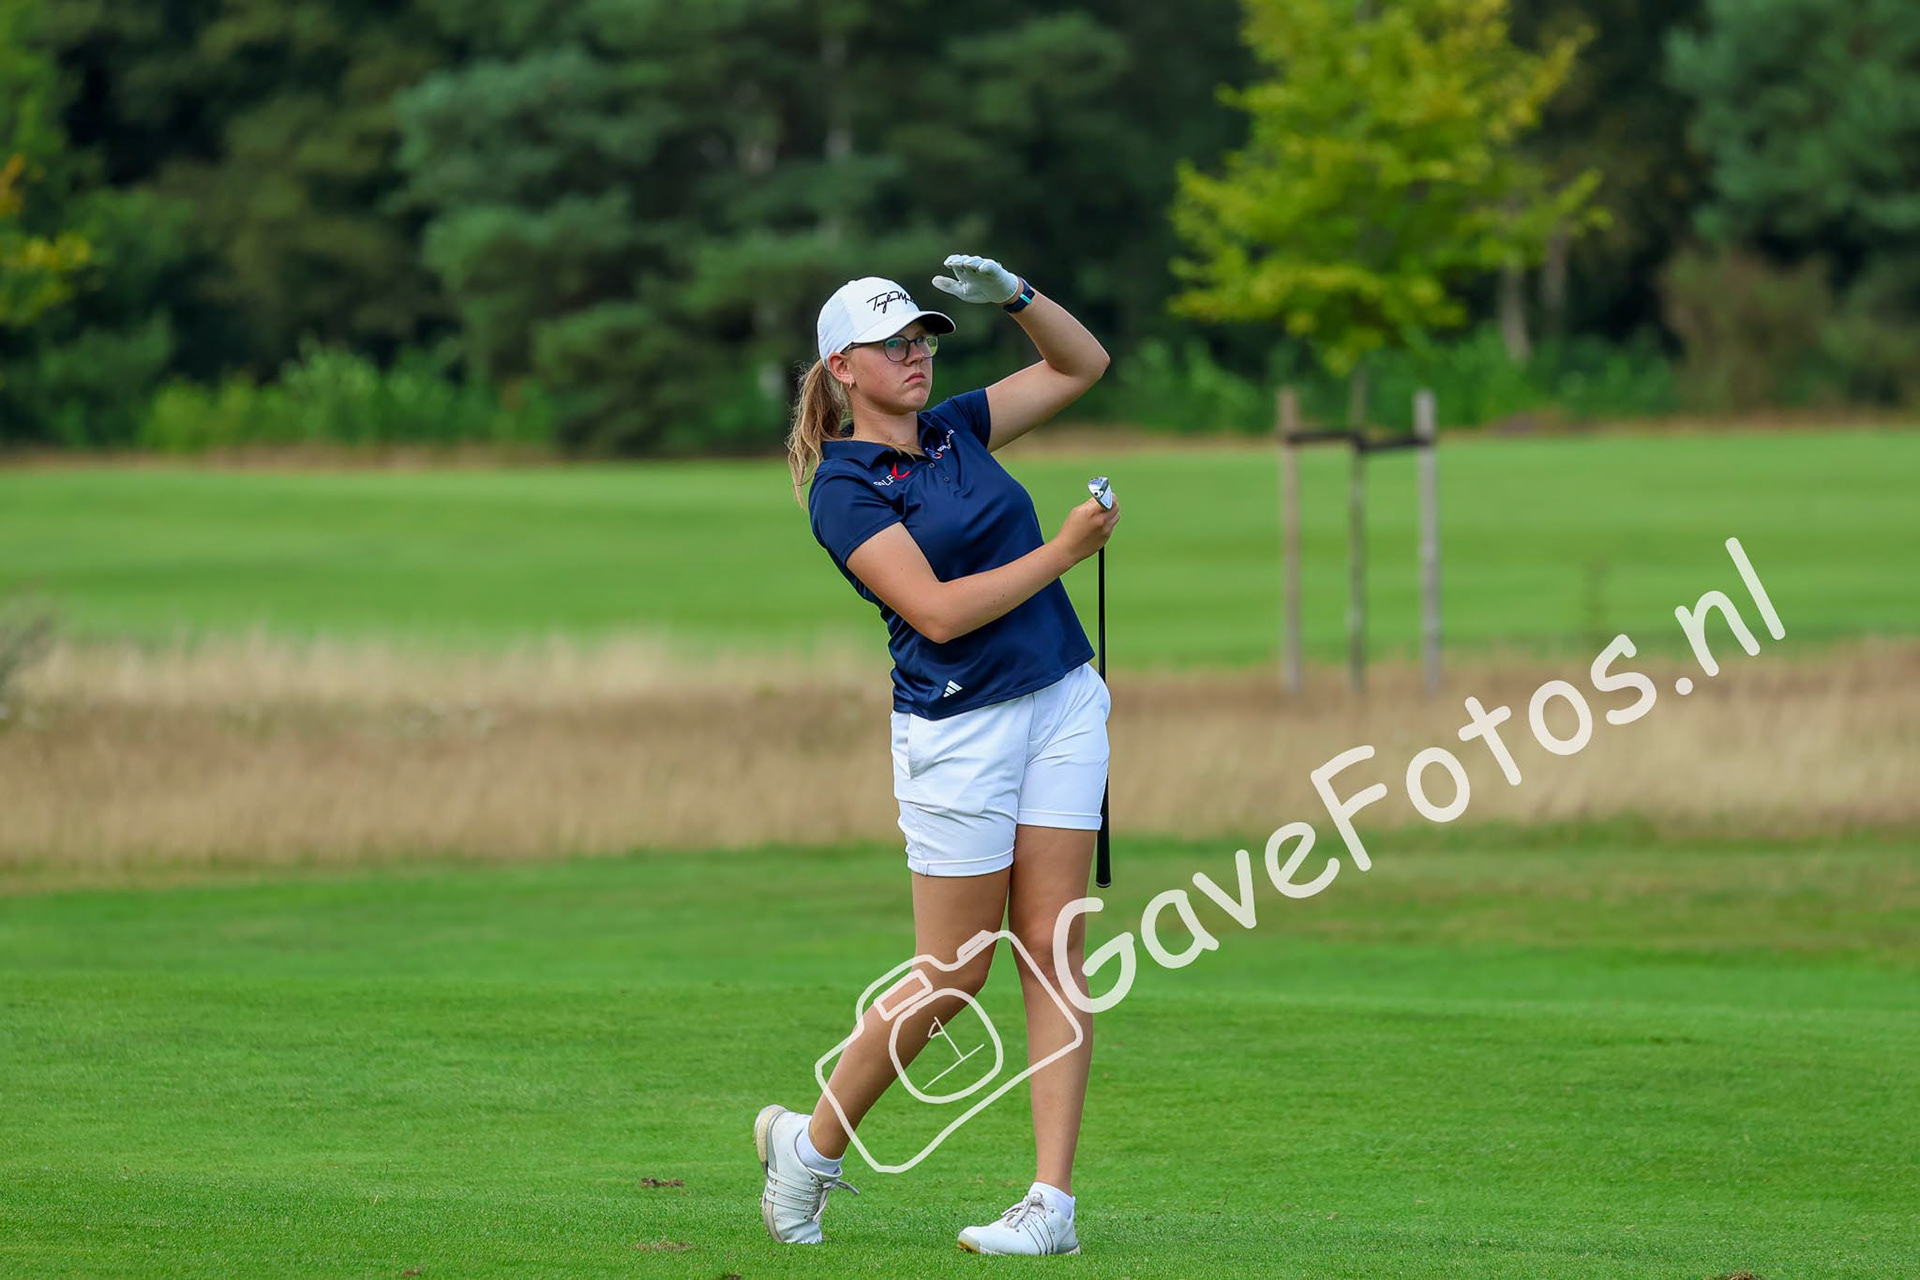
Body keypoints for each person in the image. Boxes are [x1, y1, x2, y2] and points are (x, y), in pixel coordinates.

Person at [757, 255, 1119, 1256]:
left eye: (922, 336)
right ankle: (812, 1144)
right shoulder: (846, 488)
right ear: (843, 368)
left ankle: (1052, 1204)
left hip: (1060, 699)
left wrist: (1016, 295)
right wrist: (1065, 549)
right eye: (894, 342)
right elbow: (939, 611)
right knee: (951, 974)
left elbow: (1081, 364)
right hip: (958, 728)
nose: (916, 353)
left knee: (1054, 946)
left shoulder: (957, 425)